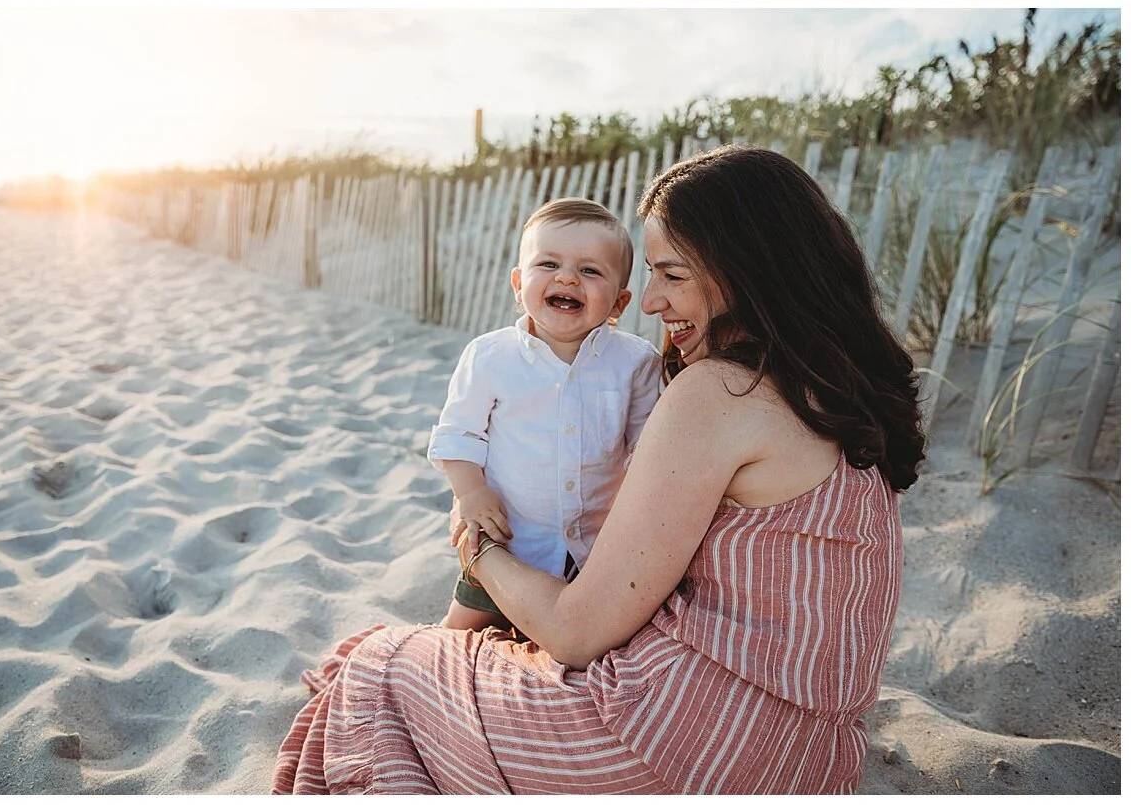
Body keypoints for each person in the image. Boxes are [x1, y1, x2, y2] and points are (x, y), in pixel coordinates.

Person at [271, 145, 926, 794]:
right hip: (807, 757)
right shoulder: (837, 391)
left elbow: (576, 633)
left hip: (680, 754)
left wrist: (479, 549)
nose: (651, 301)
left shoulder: (720, 393)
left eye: (671, 275)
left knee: (379, 662)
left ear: (742, 269)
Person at [428, 199, 660, 632]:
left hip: (594, 552)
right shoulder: (490, 356)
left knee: (584, 638)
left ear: (619, 302)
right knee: (462, 628)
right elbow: (458, 435)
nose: (567, 277)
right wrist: (471, 493)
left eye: (590, 270)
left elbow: (646, 449)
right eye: (549, 264)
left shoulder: (635, 362)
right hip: (510, 543)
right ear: (519, 284)